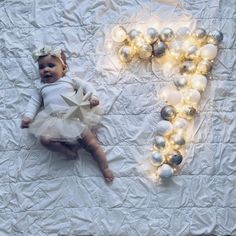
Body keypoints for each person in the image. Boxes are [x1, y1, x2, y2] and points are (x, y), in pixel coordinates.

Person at [21, 45, 114, 182]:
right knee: (44, 140)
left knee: (92, 144)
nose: (45, 69)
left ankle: (105, 167)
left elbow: (87, 86)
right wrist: (28, 117)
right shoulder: (41, 87)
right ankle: (67, 152)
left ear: (64, 68)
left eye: (51, 65)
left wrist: (93, 97)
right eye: (41, 67)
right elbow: (33, 103)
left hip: (74, 115)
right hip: (53, 120)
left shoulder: (69, 80)